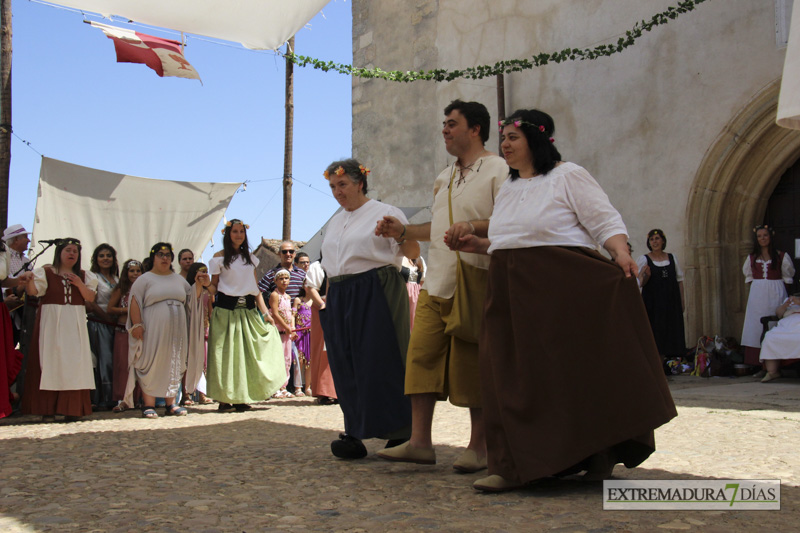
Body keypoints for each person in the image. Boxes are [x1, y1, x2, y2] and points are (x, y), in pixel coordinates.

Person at [456, 109, 676, 492]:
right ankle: (512, 465)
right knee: (507, 375)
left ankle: (597, 453)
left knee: (567, 377)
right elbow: (513, 237)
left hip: (560, 287)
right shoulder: (508, 187)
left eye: (513, 138)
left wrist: (621, 253)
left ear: (537, 140)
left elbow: (603, 220)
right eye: (503, 138)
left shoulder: (567, 175)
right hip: (509, 287)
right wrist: (482, 244)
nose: (504, 145)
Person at [376, 99, 508, 473]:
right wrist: (400, 231)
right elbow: (434, 231)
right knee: (421, 358)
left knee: (471, 363)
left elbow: (508, 222)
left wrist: (473, 227)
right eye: (444, 124)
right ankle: (419, 443)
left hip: (477, 277)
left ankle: (479, 447)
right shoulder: (444, 177)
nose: (445, 130)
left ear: (475, 129)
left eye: (452, 124)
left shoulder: (498, 169)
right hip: (437, 281)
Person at [319, 158, 420, 459]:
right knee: (345, 360)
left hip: (376, 286)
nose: (337, 191)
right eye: (333, 186)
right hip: (339, 290)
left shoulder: (385, 212)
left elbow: (412, 253)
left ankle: (400, 431)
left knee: (382, 356)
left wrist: (401, 233)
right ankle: (355, 432)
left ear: (360, 183)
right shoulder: (335, 221)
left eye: (343, 185)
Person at [206, 219, 285, 412]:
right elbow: (215, 287)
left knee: (246, 355)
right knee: (225, 356)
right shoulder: (218, 257)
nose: (239, 235)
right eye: (235, 231)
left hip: (248, 311)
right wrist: (204, 285)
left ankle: (241, 397)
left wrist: (265, 313)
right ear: (228, 234)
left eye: (241, 231)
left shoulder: (249, 258)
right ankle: (224, 399)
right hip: (226, 312)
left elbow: (256, 289)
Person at [22, 238, 98, 422]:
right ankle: (47, 409)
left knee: (74, 363)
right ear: (59, 253)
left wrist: (79, 284)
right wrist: (29, 280)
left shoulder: (85, 276)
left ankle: (71, 409)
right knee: (50, 361)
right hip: (51, 321)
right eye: (68, 250)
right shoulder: (46, 272)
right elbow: (33, 292)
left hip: (74, 322)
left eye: (75, 251)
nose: (72, 254)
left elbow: (90, 298)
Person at [740, 225, 795, 374]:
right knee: (757, 326)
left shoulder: (781, 256)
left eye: (765, 235)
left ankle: (774, 366)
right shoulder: (751, 258)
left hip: (776, 293)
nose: (762, 238)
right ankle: (759, 365)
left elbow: (787, 279)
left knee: (774, 325)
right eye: (759, 236)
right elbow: (749, 278)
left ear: (770, 237)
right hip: (757, 295)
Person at [636, 229, 687, 367]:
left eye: (657, 238)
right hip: (653, 304)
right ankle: (655, 367)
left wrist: (682, 302)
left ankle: (663, 366)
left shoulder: (671, 258)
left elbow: (679, 281)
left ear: (663, 241)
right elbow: (640, 282)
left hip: (670, 303)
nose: (655, 242)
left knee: (668, 333)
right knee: (655, 334)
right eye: (652, 239)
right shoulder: (644, 259)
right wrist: (644, 274)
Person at [107, 259, 143, 412]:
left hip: (140, 333)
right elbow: (110, 308)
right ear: (126, 273)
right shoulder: (121, 289)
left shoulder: (144, 288)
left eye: (138, 271)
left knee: (139, 365)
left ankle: (137, 399)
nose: (135, 274)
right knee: (123, 365)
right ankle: (122, 399)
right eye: (131, 271)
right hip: (123, 331)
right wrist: (127, 310)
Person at [86, 243, 120, 409]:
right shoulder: (92, 277)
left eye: (109, 255)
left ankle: (116, 396)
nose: (105, 258)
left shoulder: (118, 279)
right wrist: (107, 318)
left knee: (116, 360)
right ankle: (104, 398)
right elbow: (90, 304)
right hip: (98, 323)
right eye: (102, 256)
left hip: (116, 325)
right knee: (104, 360)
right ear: (96, 259)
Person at [304, 257, 337, 405]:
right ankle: (324, 391)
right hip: (323, 308)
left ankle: (339, 390)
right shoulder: (317, 266)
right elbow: (311, 288)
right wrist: (323, 305)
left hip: (342, 307)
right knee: (323, 349)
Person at [269, 269, 300, 398]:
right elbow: (275, 313)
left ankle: (283, 386)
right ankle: (275, 388)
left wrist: (291, 329)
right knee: (277, 359)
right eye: (281, 279)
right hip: (278, 332)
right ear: (276, 281)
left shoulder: (288, 297)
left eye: (286, 278)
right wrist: (285, 327)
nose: (284, 281)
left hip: (286, 333)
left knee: (287, 360)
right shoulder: (274, 295)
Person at [758, 293, 800, 382]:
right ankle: (772, 372)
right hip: (787, 324)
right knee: (770, 336)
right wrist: (785, 305)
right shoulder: (790, 300)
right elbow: (779, 314)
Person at [293, 286, 313, 397]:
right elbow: (293, 315)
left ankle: (308, 387)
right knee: (299, 360)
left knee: (309, 361)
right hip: (299, 332)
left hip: (310, 332)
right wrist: (292, 328)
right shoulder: (298, 300)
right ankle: (298, 387)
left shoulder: (314, 301)